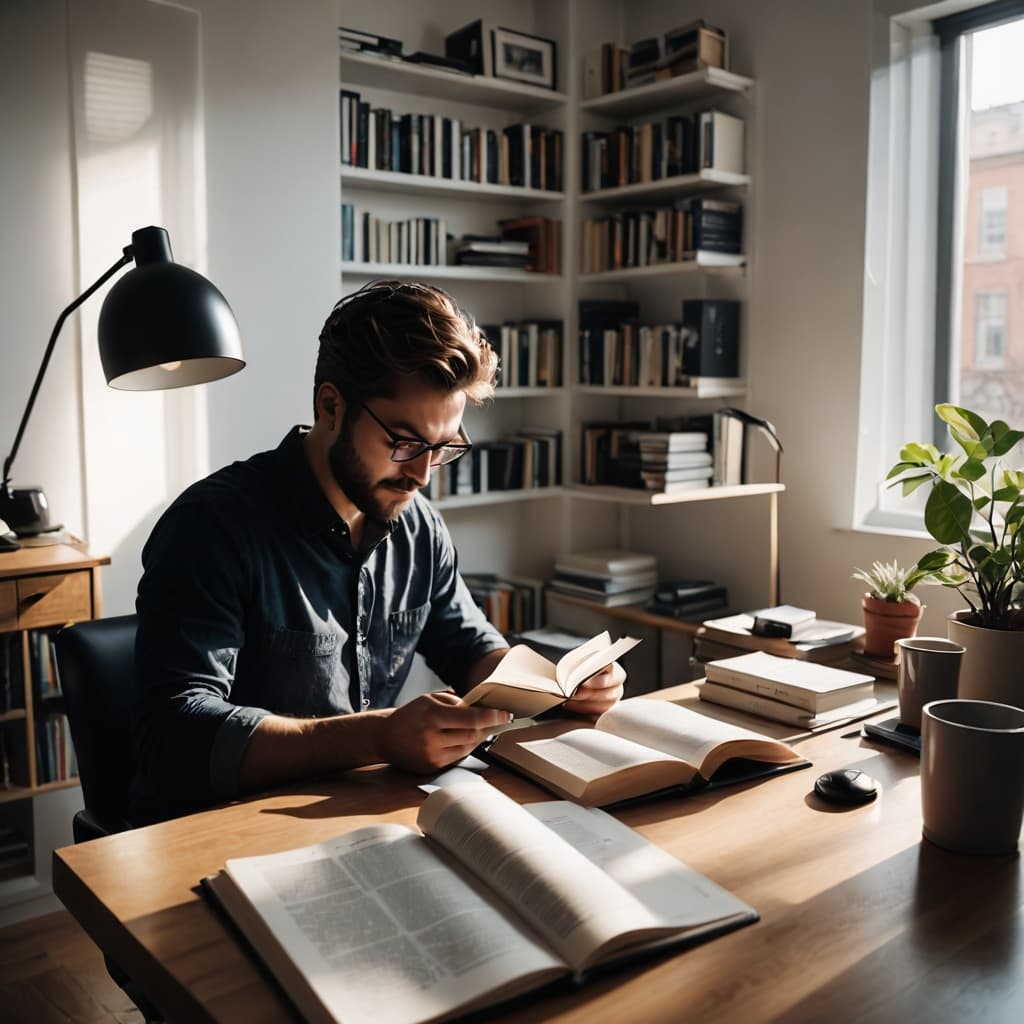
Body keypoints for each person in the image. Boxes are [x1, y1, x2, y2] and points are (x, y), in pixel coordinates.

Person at [131, 280, 625, 822]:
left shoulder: (420, 528)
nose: (421, 474)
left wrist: (556, 688)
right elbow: (177, 735)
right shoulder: (212, 528)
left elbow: (471, 650)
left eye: (443, 448)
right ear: (331, 407)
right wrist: (377, 737)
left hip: (371, 815)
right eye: (405, 442)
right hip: (230, 829)